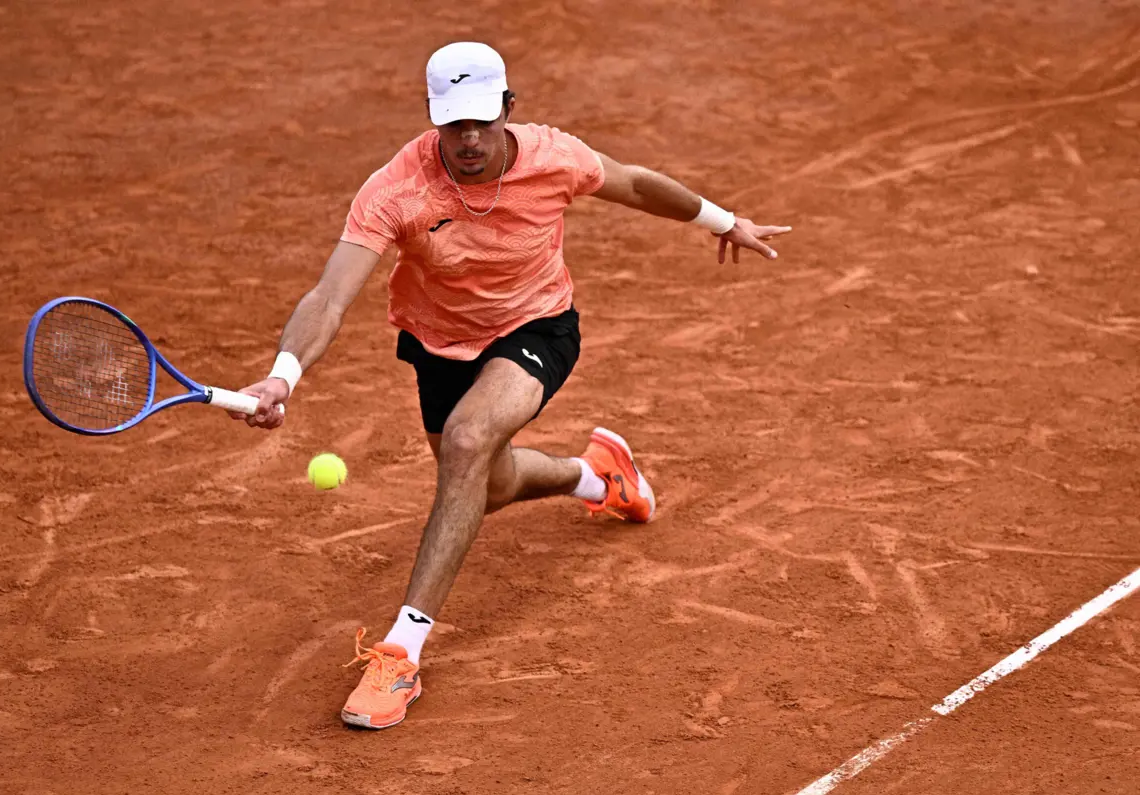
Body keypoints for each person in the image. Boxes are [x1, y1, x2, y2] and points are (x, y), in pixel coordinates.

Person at [230, 41, 791, 730]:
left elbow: (636, 183)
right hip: (439, 344)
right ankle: (598, 477)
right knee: (485, 486)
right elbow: (329, 295)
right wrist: (284, 375)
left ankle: (400, 654)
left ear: (507, 109)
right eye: (453, 124)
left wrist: (724, 220)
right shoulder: (396, 190)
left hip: (537, 326)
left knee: (467, 442)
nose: (468, 139)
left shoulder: (553, 157)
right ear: (433, 117)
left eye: (481, 121)